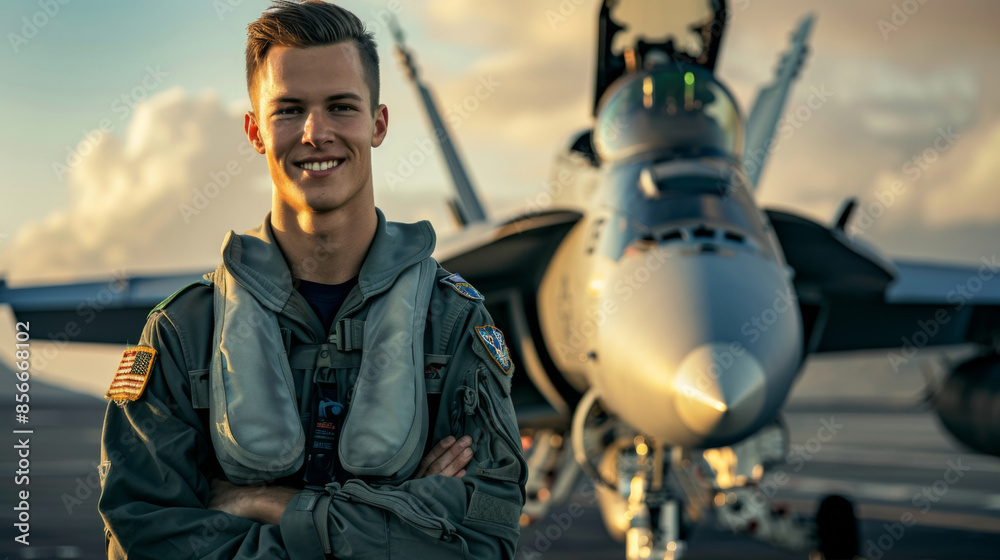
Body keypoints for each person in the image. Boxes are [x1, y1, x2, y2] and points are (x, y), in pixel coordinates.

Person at [97, 1, 526, 558]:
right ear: (255, 130)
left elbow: (486, 539)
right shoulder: (183, 333)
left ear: (379, 123)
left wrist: (276, 506)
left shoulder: (451, 324)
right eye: (289, 110)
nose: (315, 132)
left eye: (341, 107)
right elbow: (141, 540)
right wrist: (400, 516)